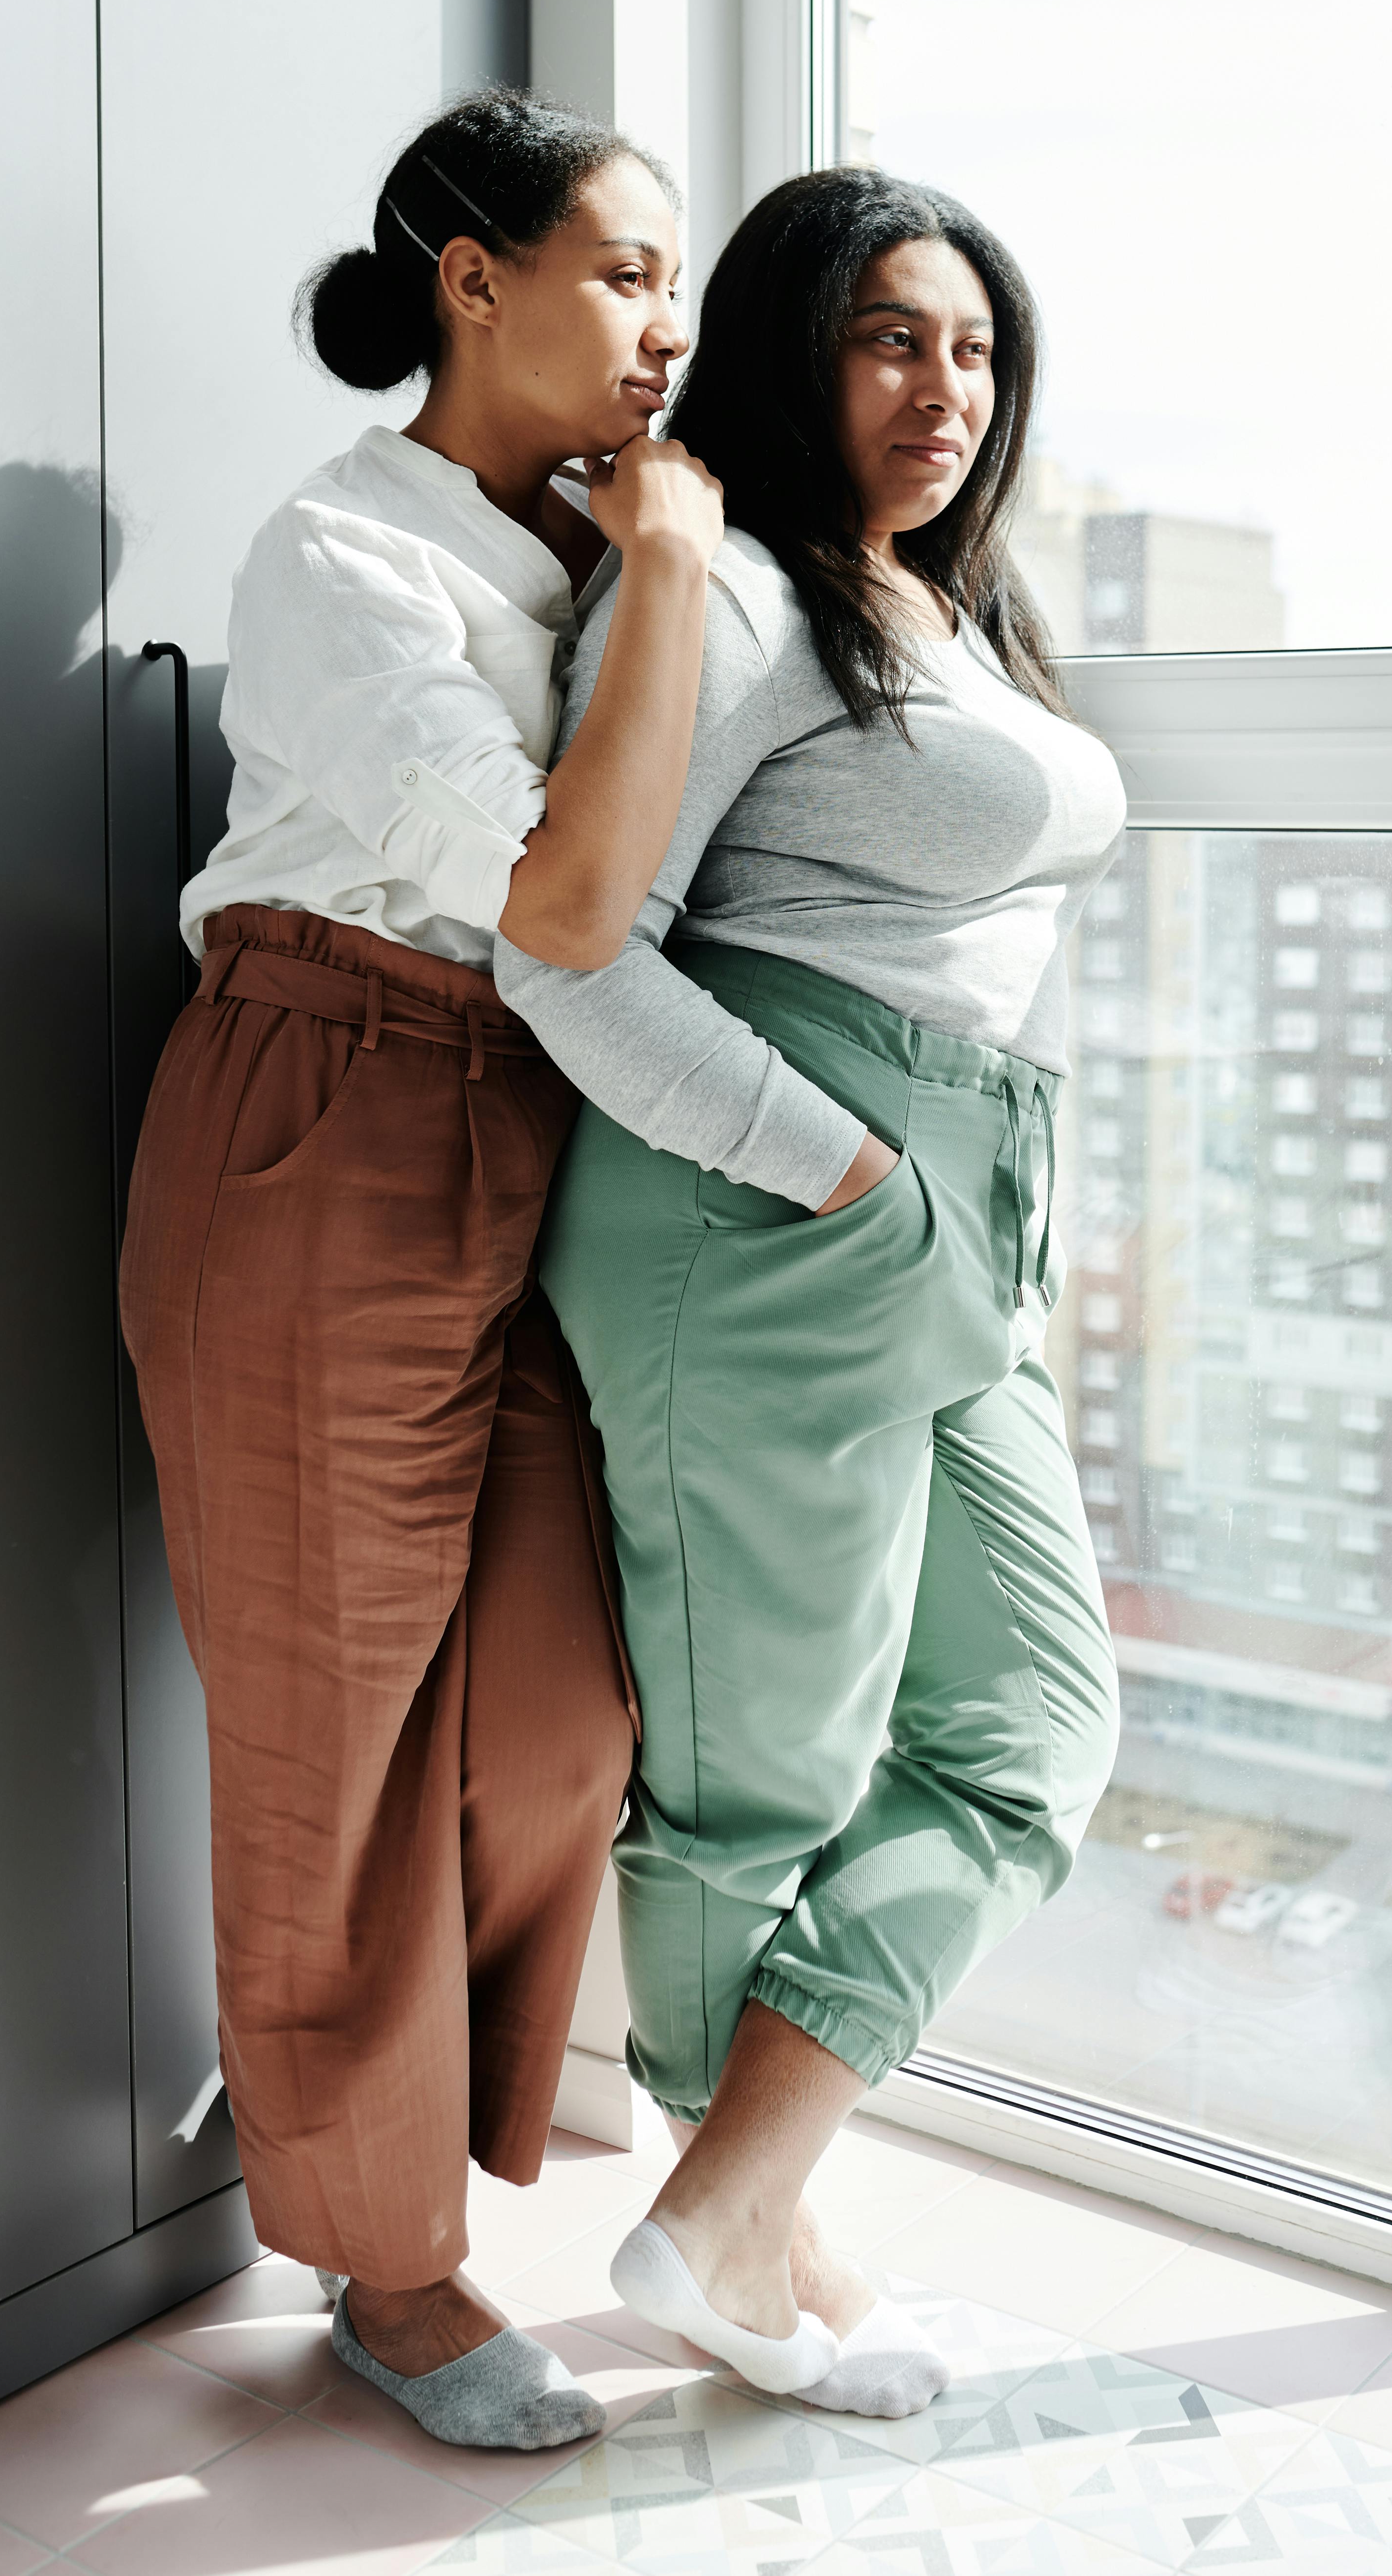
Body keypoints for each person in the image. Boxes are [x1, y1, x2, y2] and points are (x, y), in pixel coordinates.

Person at [119, 87, 723, 2452]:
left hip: (528, 1113)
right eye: (624, 269)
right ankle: (391, 2266)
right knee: (330, 1731)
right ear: (471, 279)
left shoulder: (589, 536)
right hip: (323, 1106)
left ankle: (390, 2120)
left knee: (563, 1705)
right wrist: (666, 562)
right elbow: (557, 891)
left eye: (674, 280)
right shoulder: (342, 548)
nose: (664, 324)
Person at [496, 167, 1125, 2418]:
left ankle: (727, 2211)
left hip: (945, 1221)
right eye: (885, 337)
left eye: (969, 344)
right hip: (765, 1216)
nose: (940, 385)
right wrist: (839, 1167)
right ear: (787, 351)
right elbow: (564, 949)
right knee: (766, 1775)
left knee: (1032, 1724)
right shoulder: (738, 601)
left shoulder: (931, 612)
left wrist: (937, 1188)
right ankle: (731, 2228)